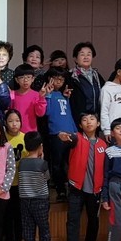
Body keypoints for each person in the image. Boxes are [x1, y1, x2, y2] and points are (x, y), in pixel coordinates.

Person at [54, 113, 107, 241]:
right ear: (80, 125)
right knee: (72, 220)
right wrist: (62, 135)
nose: (88, 122)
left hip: (95, 190)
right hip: (76, 188)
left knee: (93, 220)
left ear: (98, 124)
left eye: (92, 119)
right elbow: (67, 137)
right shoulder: (76, 138)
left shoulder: (103, 145)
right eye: (84, 120)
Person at [18, 131, 52, 241]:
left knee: (28, 228)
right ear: (40, 147)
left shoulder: (22, 163)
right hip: (40, 200)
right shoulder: (42, 164)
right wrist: (41, 160)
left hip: (24, 200)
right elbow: (47, 178)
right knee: (44, 228)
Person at [44, 68, 76, 201]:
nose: (59, 82)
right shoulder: (47, 94)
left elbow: (68, 114)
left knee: (70, 162)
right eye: (56, 79)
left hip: (70, 132)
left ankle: (72, 189)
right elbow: (46, 112)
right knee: (57, 163)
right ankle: (60, 189)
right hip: (56, 133)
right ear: (49, 79)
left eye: (61, 80)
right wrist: (48, 95)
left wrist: (75, 130)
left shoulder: (63, 95)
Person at [2, 109, 26, 241]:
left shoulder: (25, 138)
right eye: (10, 121)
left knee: (19, 214)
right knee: (7, 214)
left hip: (21, 184)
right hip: (5, 185)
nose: (14, 124)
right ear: (5, 123)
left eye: (17, 120)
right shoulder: (2, 139)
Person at [68, 41, 105, 127]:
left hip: (95, 120)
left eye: (89, 54)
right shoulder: (70, 76)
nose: (86, 57)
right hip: (78, 120)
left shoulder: (96, 75)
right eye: (82, 54)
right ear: (75, 59)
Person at [10, 64, 48, 133]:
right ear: (16, 80)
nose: (25, 80)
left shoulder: (36, 94)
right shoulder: (12, 94)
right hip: (15, 132)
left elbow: (40, 113)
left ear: (33, 79)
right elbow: (8, 112)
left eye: (28, 77)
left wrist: (41, 98)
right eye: (21, 77)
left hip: (31, 132)